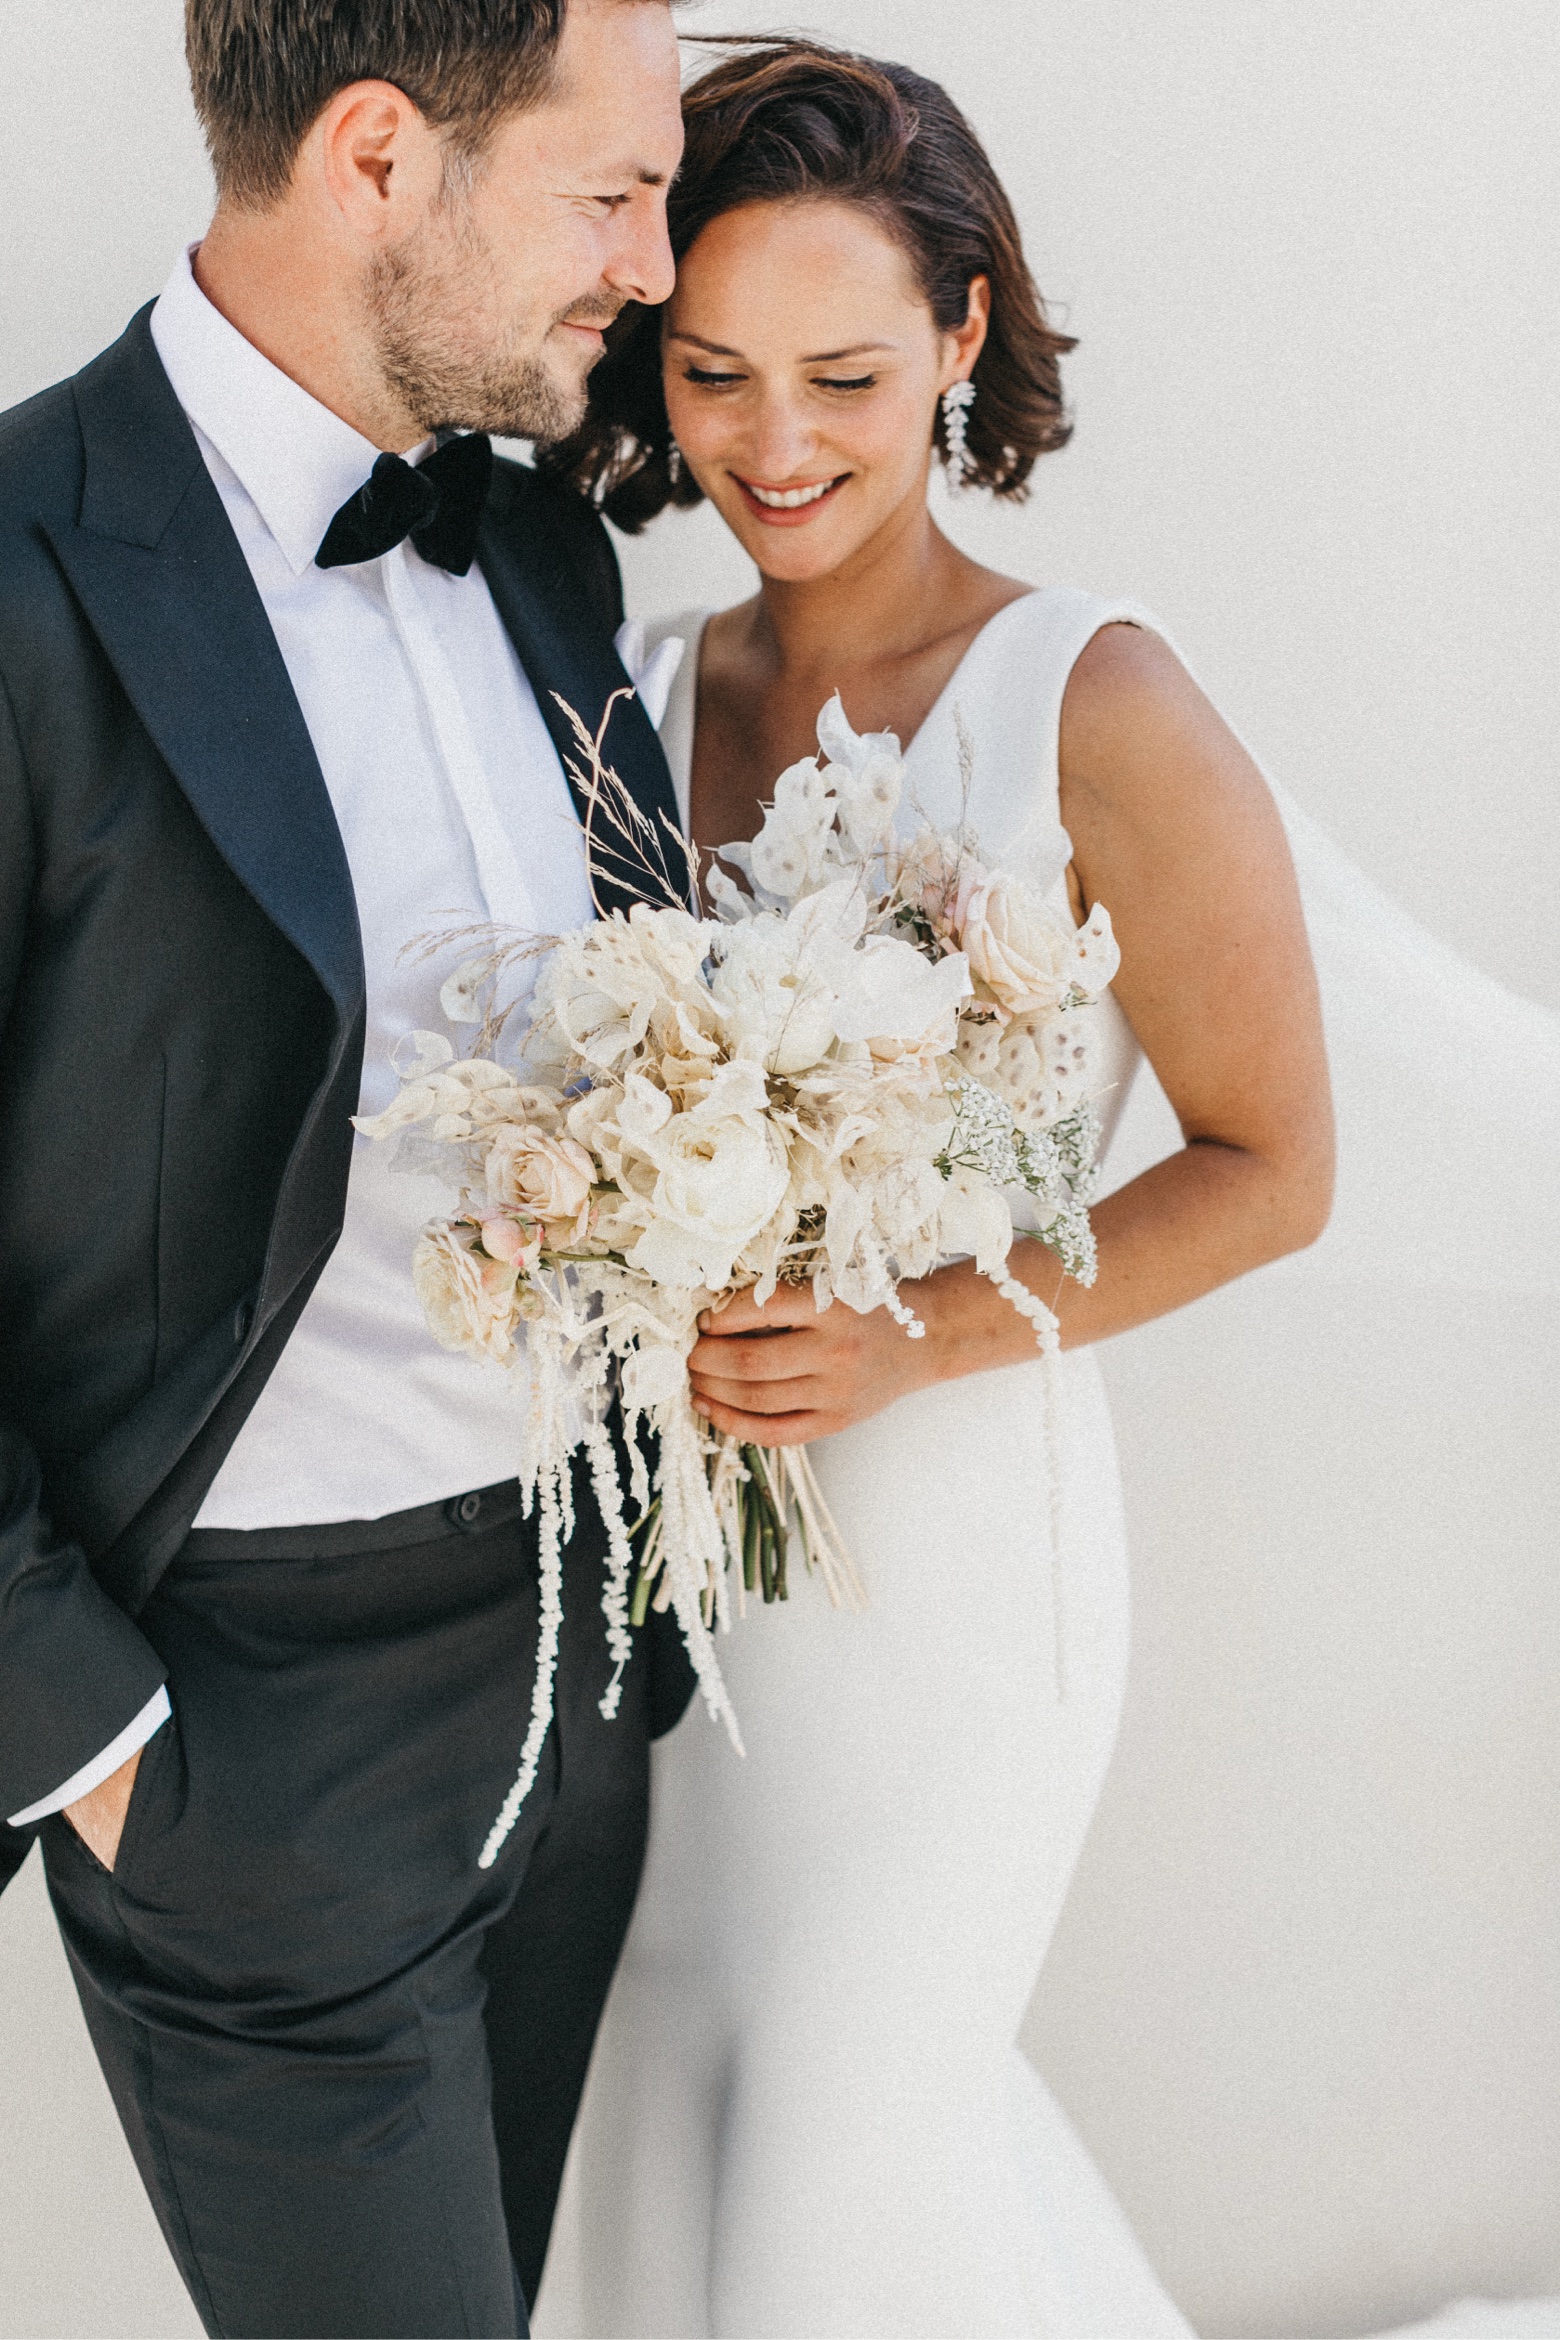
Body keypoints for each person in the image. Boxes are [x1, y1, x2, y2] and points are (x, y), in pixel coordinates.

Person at [532, 41, 1335, 2338]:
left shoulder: (1098, 700)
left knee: (844, 2183)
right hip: (677, 1605)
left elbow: (1277, 1167)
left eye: (846, 375)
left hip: (962, 1602)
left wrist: (918, 1336)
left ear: (966, 340)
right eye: (711, 376)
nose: (772, 446)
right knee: (693, 2178)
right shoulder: (637, 687)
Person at [0, 3, 693, 2333]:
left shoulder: (537, 549)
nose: (653, 264)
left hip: (575, 1679)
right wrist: (93, 1744)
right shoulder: (12, 568)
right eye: (612, 194)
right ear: (381, 154)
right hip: (241, 1747)